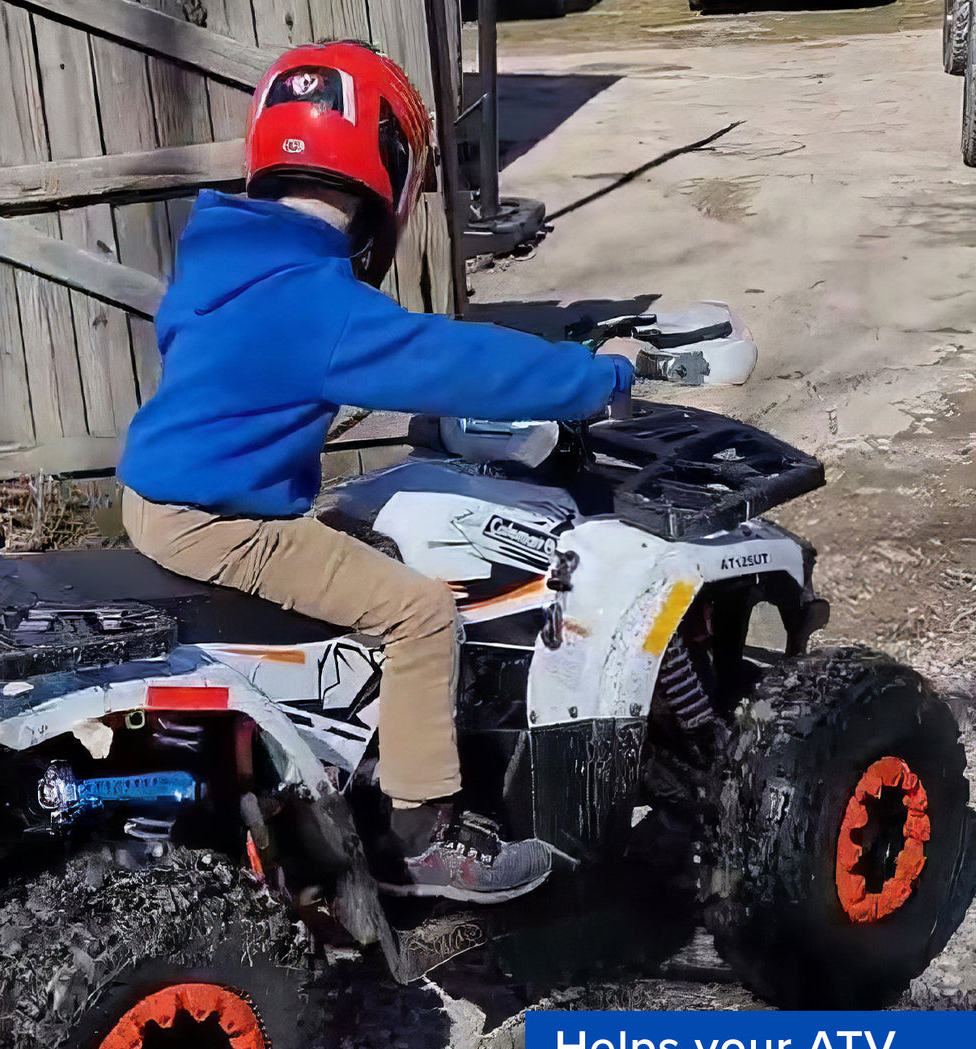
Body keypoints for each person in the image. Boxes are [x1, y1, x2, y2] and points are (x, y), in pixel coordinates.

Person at [118, 41, 635, 905]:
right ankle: (424, 833)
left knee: (356, 537)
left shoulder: (221, 255)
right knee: (420, 611)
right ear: (386, 167)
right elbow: (457, 361)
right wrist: (596, 378)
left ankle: (354, 745)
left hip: (158, 496)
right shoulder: (321, 306)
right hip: (219, 521)